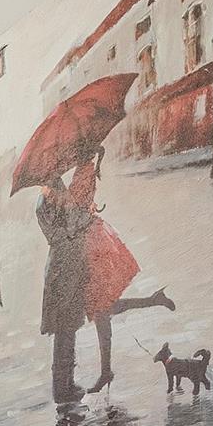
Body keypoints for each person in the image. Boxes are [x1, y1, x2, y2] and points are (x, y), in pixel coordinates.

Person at [36, 150, 173, 398]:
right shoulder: (54, 193)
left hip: (79, 260)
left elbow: (72, 216)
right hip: (70, 264)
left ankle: (85, 379)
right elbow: (64, 226)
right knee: (85, 318)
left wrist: (78, 214)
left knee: (91, 314)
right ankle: (70, 385)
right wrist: (77, 215)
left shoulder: (69, 183)